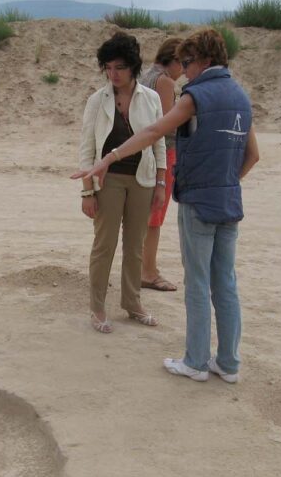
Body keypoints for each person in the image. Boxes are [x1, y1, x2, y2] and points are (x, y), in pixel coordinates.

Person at [73, 28, 260, 383]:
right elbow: (253, 155)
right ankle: (228, 364)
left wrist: (111, 158)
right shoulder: (240, 96)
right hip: (228, 200)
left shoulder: (195, 95)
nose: (183, 71)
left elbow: (153, 134)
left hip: (196, 200)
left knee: (197, 282)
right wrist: (226, 183)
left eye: (187, 63)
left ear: (204, 60)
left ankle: (195, 362)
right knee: (225, 283)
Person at [77, 31, 167, 333]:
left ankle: (132, 302)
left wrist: (161, 184)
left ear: (133, 66)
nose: (113, 74)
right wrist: (87, 192)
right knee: (104, 245)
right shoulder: (97, 100)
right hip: (108, 180)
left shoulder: (151, 98)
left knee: (135, 245)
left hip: (143, 179)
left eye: (120, 67)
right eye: (108, 67)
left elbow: (158, 142)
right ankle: (97, 306)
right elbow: (87, 148)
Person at [139, 38, 184, 292]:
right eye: (183, 62)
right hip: (163, 153)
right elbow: (169, 124)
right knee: (155, 215)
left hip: (143, 152)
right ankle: (148, 272)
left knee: (144, 214)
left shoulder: (147, 76)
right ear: (174, 60)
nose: (184, 70)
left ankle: (140, 268)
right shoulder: (164, 81)